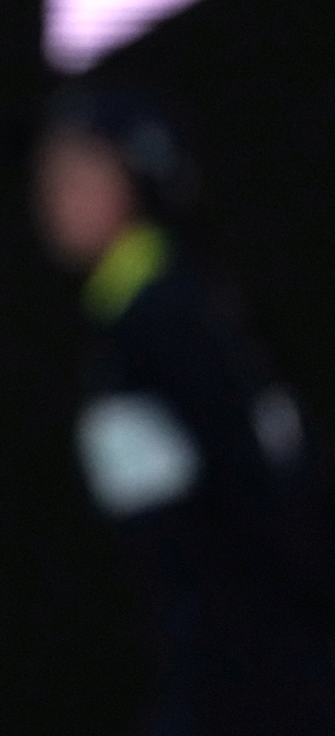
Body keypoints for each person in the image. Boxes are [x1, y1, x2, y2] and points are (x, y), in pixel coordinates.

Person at [34, 86, 335, 736]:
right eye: (49, 177)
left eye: (76, 174)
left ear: (134, 177)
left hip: (260, 679)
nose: (52, 197)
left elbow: (270, 487)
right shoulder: (125, 319)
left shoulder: (171, 317)